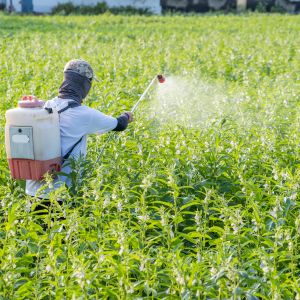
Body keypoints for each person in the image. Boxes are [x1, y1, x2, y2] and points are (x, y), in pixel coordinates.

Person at [26, 59, 133, 204]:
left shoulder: (48, 105)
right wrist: (127, 116)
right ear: (85, 85)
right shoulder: (84, 114)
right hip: (59, 197)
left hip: (32, 191)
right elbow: (119, 125)